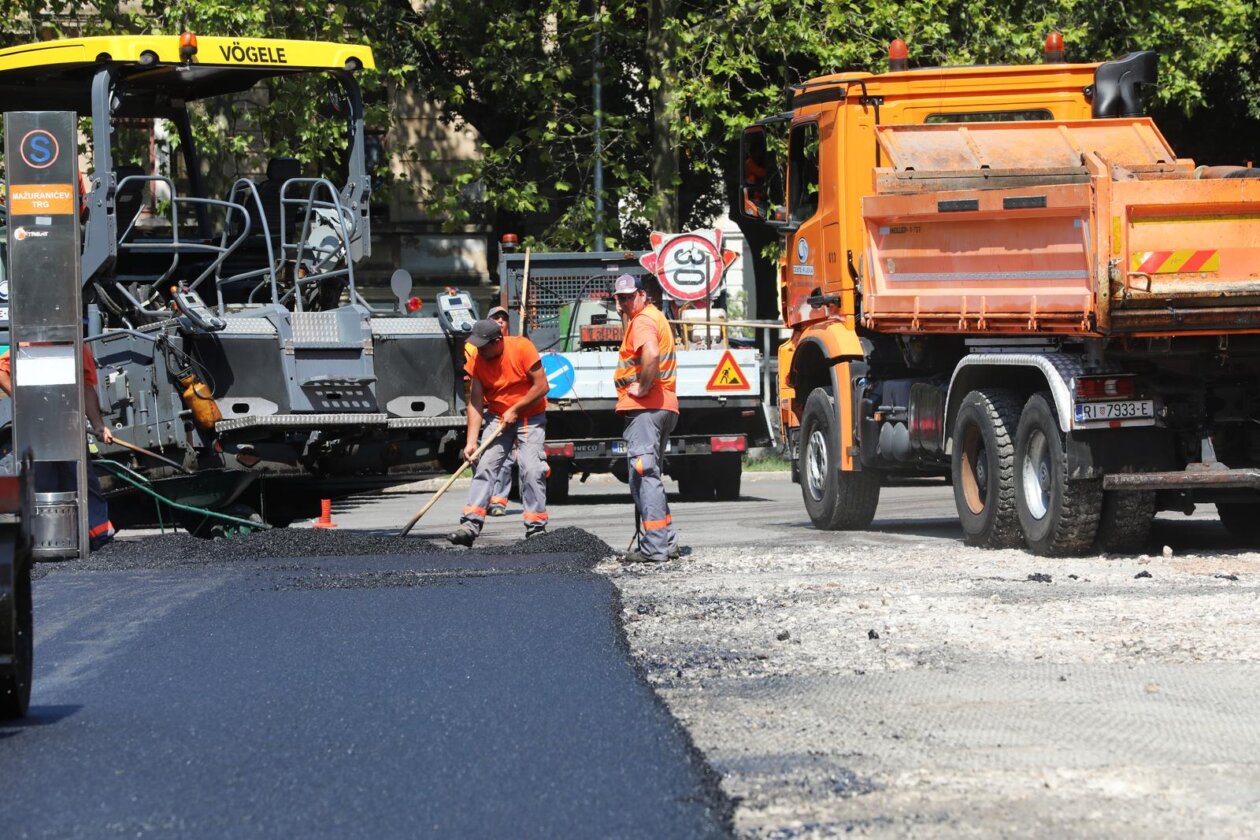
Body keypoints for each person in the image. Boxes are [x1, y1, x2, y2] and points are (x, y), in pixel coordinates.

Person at [0, 341, 115, 550]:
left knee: (79, 479)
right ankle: (49, 539)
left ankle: (95, 535)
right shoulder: (27, 344)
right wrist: (24, 400)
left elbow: (86, 388)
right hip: (41, 429)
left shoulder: (76, 346)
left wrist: (98, 425)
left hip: (66, 425)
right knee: (48, 484)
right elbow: (1, 371)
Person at [449, 317, 549, 546]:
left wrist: (516, 409)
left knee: (531, 468)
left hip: (529, 416)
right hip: (497, 417)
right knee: (484, 465)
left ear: (498, 341)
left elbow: (542, 386)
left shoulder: (521, 348)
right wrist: (471, 442)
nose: (480, 351)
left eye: (483, 346)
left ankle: (536, 527)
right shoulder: (477, 359)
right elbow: (475, 401)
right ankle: (469, 525)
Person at [612, 273, 680, 563]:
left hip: (647, 408)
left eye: (630, 296)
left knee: (643, 477)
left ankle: (654, 548)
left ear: (642, 295)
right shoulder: (652, 317)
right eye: (621, 297)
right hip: (662, 407)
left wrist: (643, 386)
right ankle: (666, 541)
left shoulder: (642, 321)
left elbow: (650, 353)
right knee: (648, 475)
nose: (626, 302)